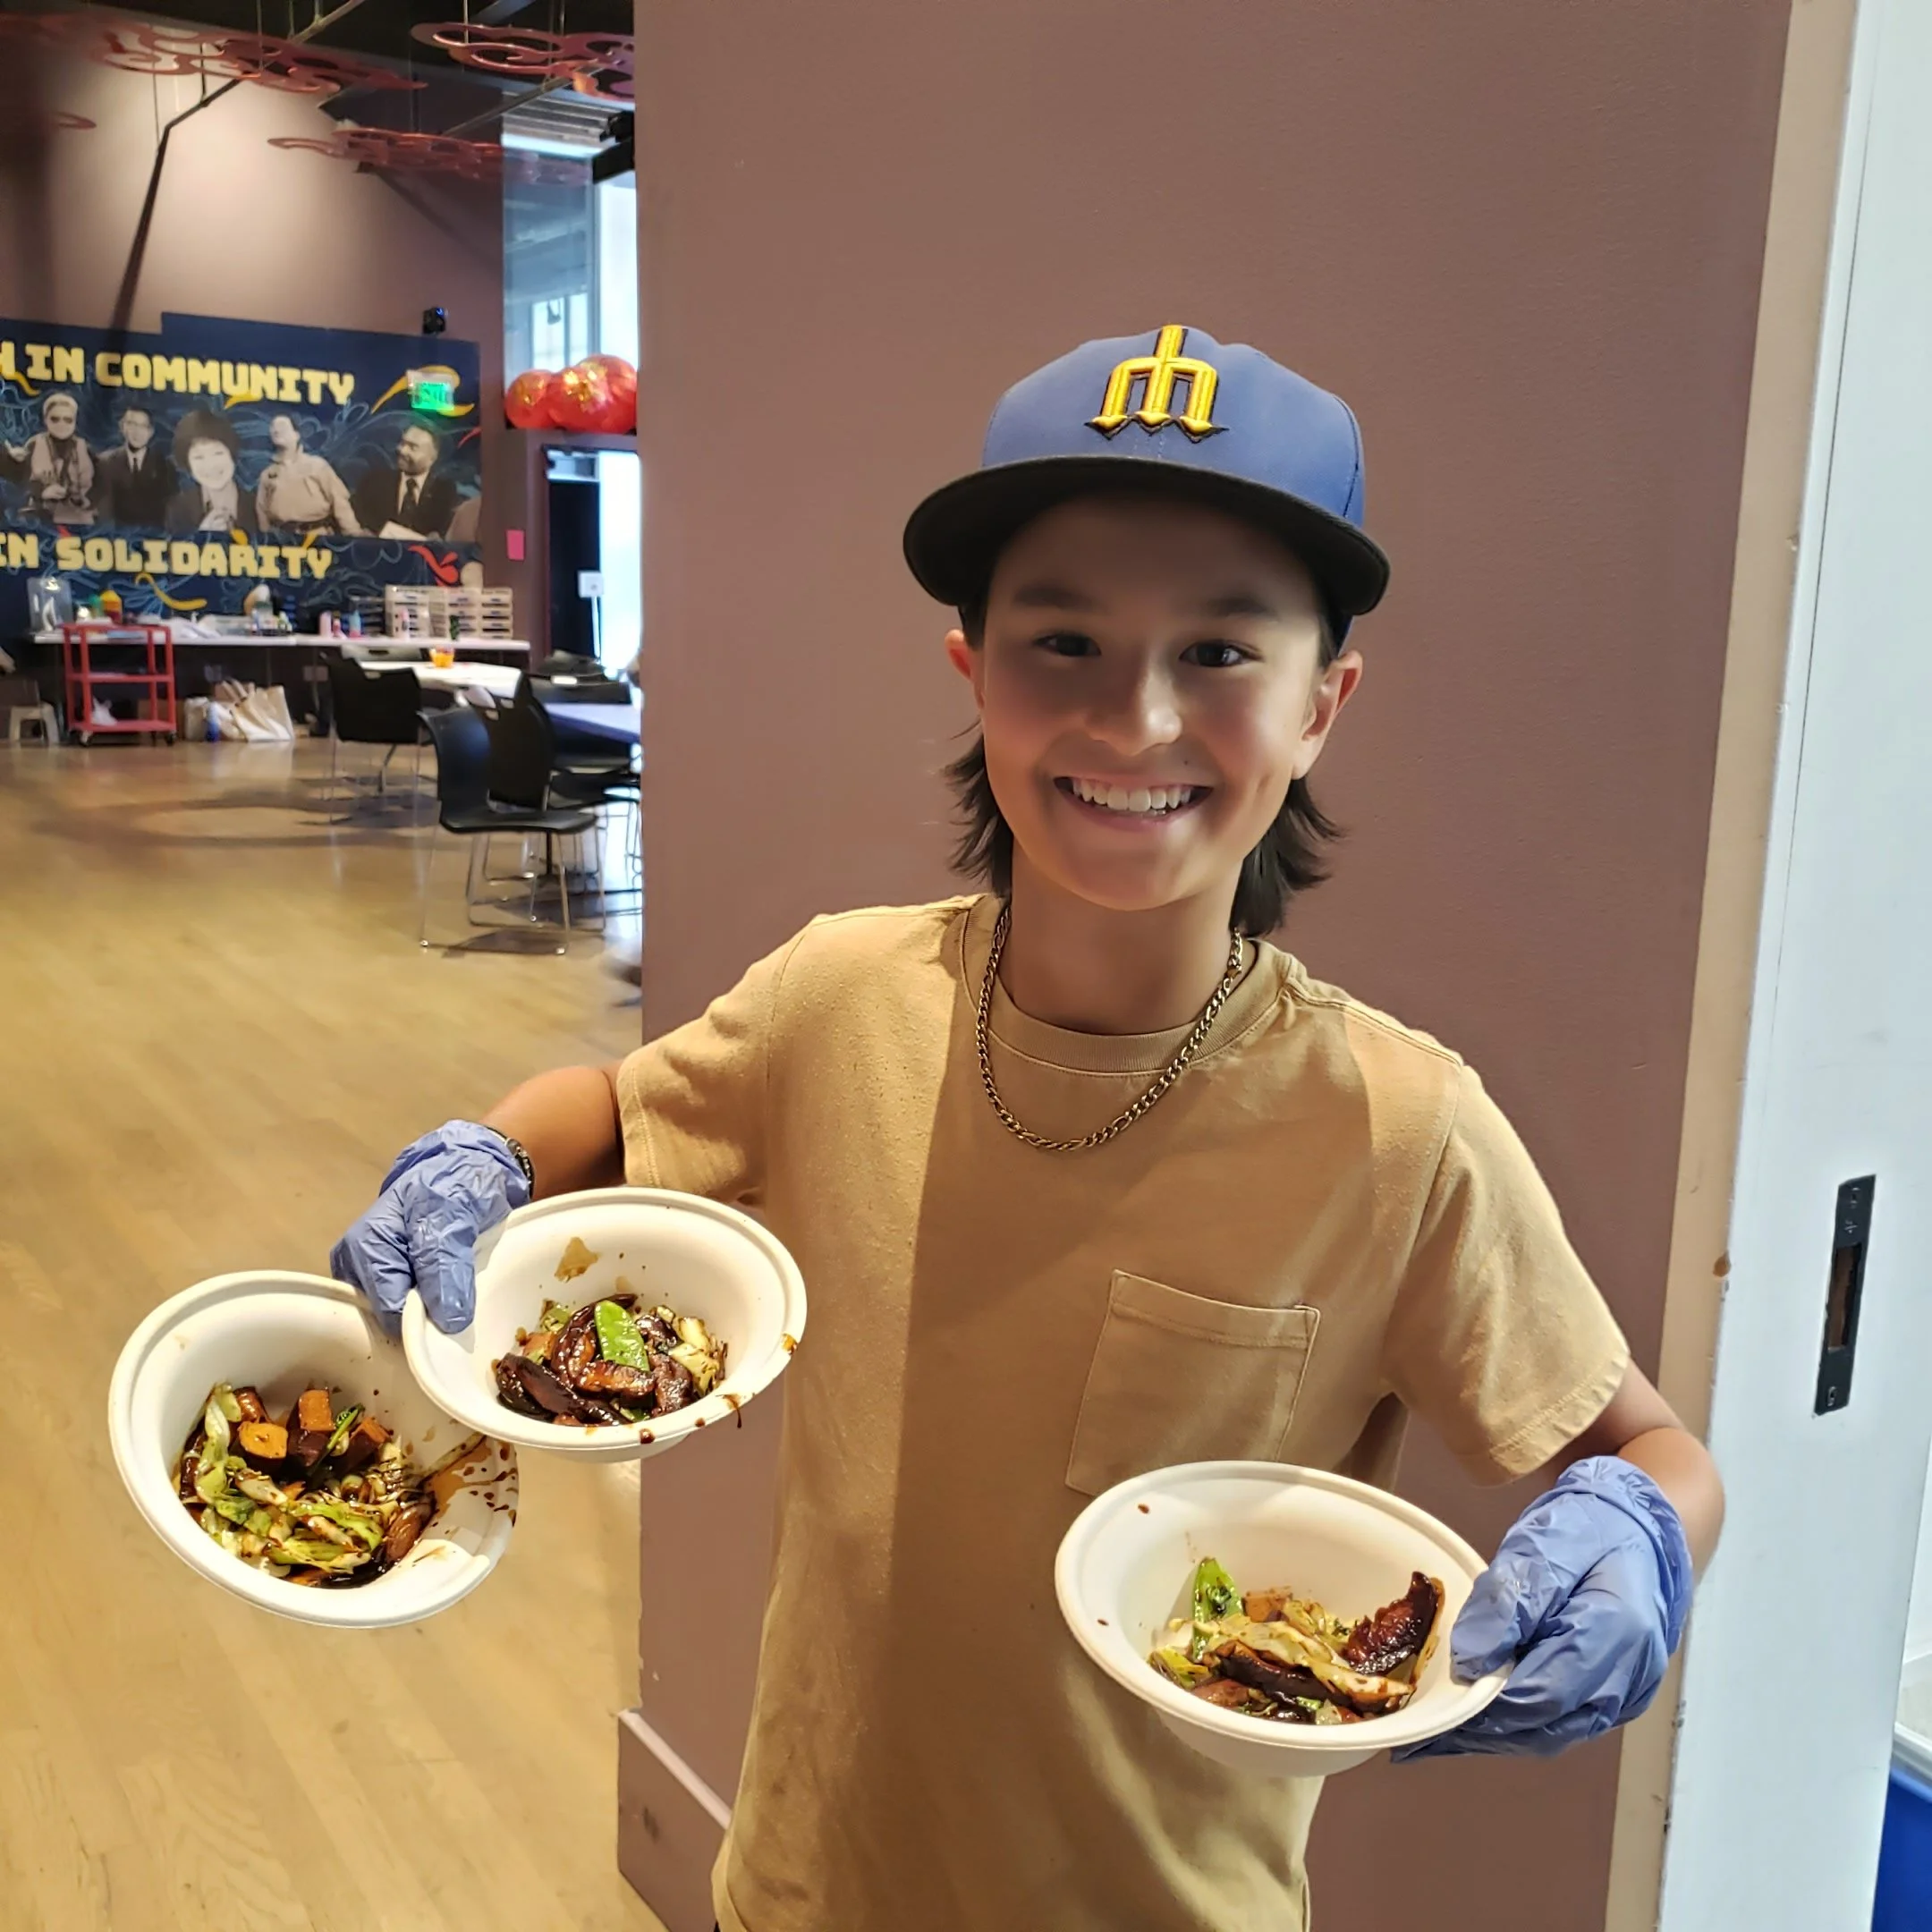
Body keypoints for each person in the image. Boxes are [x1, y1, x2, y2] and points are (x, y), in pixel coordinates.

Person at [330, 326, 1724, 1932]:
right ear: (973, 669)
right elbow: (624, 1115)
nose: (1135, 721)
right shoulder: (839, 996)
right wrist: (491, 1149)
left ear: (1323, 702)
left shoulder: (1399, 1131)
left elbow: (1650, 1447)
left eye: (1219, 653)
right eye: (1063, 641)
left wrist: (1641, 1530)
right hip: (804, 1878)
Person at [254, 412, 362, 537]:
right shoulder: (267, 474)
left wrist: (353, 534)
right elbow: (261, 510)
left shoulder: (317, 465)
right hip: (282, 539)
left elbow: (339, 502)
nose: (276, 430)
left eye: (282, 426)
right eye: (273, 427)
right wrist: (267, 539)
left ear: (296, 435)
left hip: (318, 537)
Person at [350, 419, 459, 538]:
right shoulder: (374, 482)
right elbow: (353, 519)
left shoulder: (445, 491)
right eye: (402, 443)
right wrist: (361, 532)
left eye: (413, 447)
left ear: (432, 457)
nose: (402, 450)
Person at [4, 391, 95, 524]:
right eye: (55, 419)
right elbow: (21, 483)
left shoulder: (85, 449)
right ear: (46, 419)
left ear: (75, 422)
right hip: (40, 513)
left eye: (68, 420)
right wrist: (42, 492)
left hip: (78, 515)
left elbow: (98, 488)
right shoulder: (34, 444)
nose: (61, 424)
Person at [165, 410, 257, 536]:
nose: (211, 465)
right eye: (198, 457)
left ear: (232, 454)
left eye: (217, 453)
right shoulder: (178, 509)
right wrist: (202, 537)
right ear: (188, 464)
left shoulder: (259, 505)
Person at [92, 402, 177, 528]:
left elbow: (170, 514)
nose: (137, 432)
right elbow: (104, 511)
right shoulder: (105, 463)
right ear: (122, 427)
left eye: (143, 426)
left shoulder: (165, 466)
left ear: (151, 432)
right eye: (132, 425)